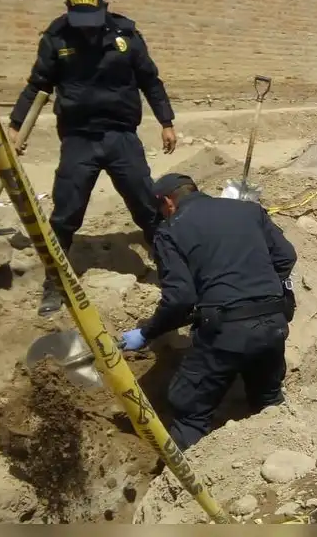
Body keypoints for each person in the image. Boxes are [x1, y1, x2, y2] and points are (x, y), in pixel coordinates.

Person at [7, 0, 178, 316]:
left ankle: (173, 271)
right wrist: (15, 126)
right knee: (66, 212)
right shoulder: (57, 38)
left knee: (147, 205)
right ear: (70, 11)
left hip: (121, 137)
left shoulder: (126, 36)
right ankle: (54, 284)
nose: (87, 29)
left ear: (104, 7)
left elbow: (149, 80)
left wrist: (166, 121)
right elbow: (37, 84)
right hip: (78, 139)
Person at [119, 174, 298, 451]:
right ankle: (284, 459)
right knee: (268, 399)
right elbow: (286, 256)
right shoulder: (248, 210)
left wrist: (146, 332)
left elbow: (179, 298)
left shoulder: (170, 231)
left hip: (225, 332)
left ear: (167, 202)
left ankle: (186, 487)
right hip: (273, 323)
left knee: (189, 408)